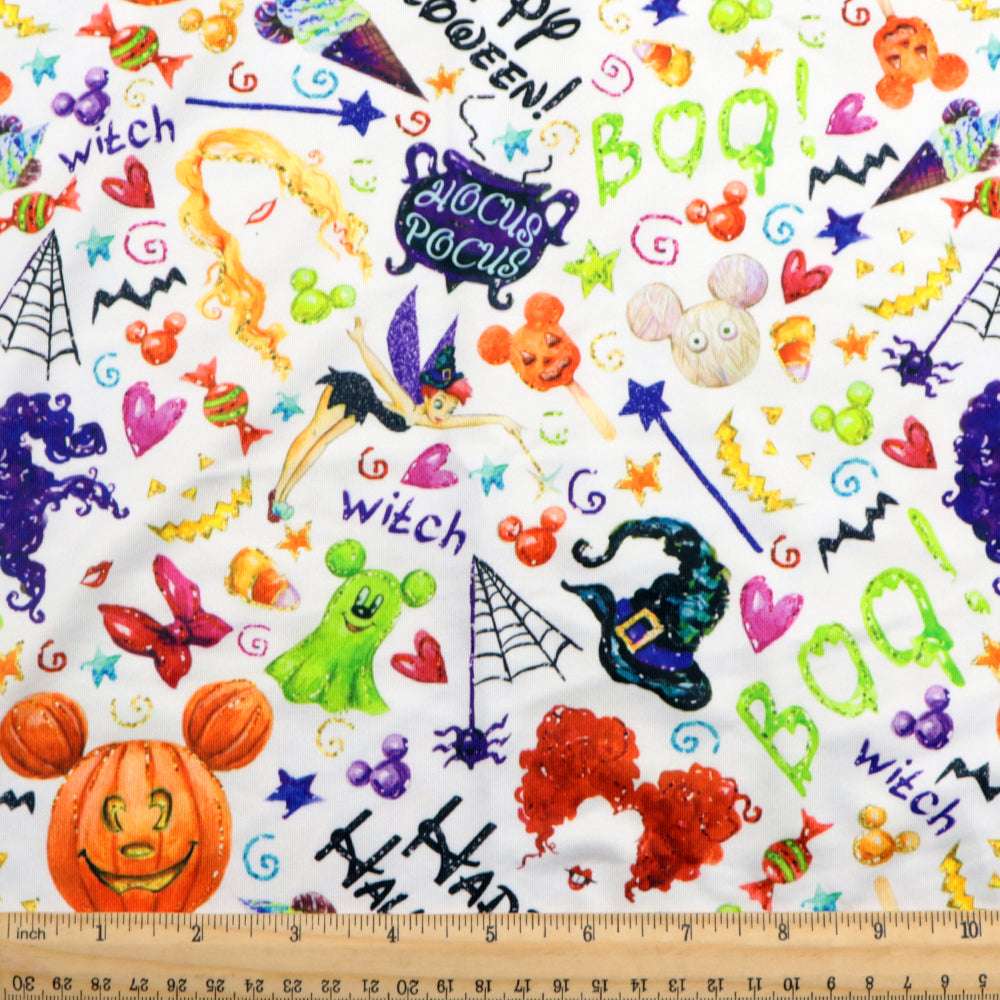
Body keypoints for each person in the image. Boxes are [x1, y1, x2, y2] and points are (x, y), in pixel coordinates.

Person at [268, 317, 525, 521]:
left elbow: (469, 421)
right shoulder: (407, 406)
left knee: (323, 442)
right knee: (315, 434)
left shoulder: (426, 419)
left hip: (362, 407)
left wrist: (502, 420)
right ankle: (279, 490)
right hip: (352, 389)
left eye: (449, 410)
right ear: (428, 395)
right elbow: (381, 376)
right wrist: (361, 343)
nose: (442, 415)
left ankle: (281, 497)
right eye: (439, 404)